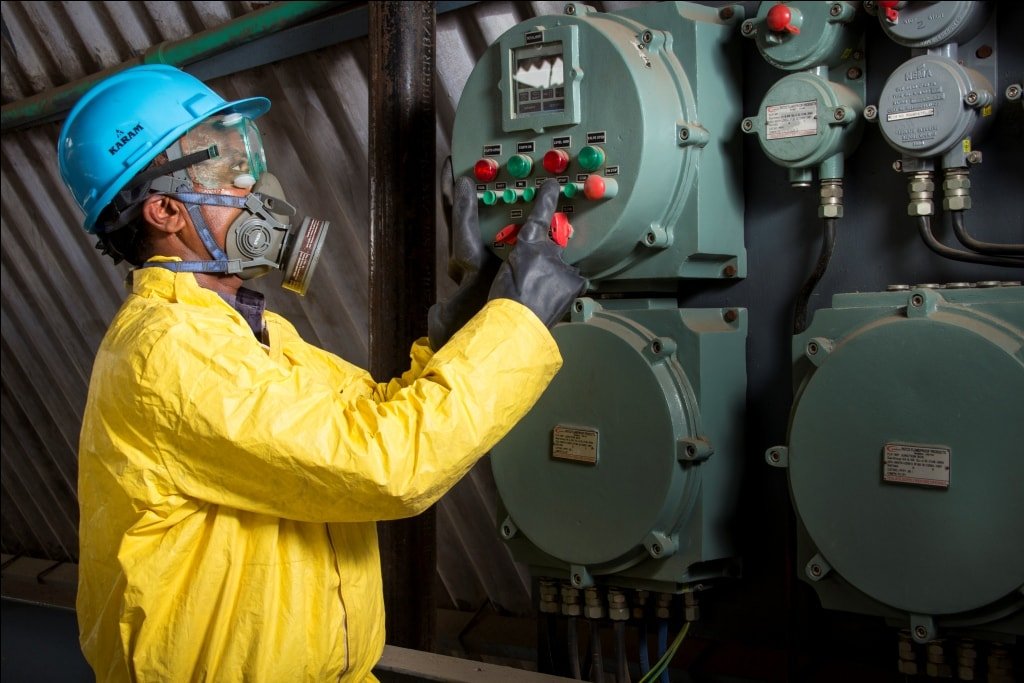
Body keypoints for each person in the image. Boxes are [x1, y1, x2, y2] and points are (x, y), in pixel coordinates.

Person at [58, 64, 585, 682]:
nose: (254, 183)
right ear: (168, 210)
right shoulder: (170, 353)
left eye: (247, 158)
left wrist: (463, 330)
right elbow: (385, 465)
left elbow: (373, 417)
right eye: (226, 168)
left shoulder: (253, 332)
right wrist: (518, 323)